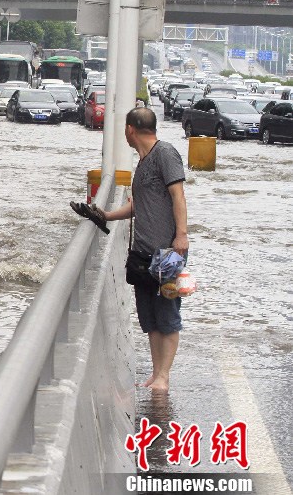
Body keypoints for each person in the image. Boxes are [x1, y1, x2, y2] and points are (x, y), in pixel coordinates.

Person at [96, 107, 188, 393]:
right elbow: (140, 206)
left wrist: (181, 236)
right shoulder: (144, 161)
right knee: (149, 318)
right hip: (143, 254)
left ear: (130, 130)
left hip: (168, 254)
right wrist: (107, 215)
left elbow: (178, 195)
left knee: (168, 314)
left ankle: (164, 376)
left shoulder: (165, 154)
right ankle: (156, 373)